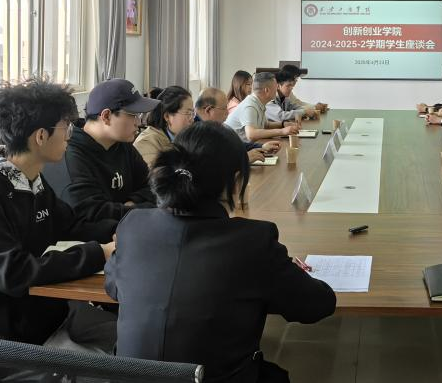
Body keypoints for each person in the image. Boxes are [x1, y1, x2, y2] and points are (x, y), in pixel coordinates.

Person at [105, 122, 336, 382]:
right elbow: (318, 305)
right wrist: (278, 273)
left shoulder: (133, 226)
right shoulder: (252, 242)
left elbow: (112, 286)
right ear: (236, 182)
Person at [0, 78, 117, 382]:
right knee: (118, 369)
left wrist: (125, 229)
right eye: (66, 128)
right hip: (2, 337)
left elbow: (71, 224)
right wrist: (97, 254)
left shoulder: (29, 178)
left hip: (43, 315)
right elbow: (12, 272)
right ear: (41, 136)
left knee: (134, 339)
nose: (70, 136)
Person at [63, 78, 158, 222]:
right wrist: (139, 207)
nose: (138, 123)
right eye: (133, 115)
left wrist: (132, 203)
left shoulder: (122, 144)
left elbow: (155, 186)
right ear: (106, 116)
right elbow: (91, 213)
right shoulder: (71, 153)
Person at [196, 87, 281, 165]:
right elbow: (211, 165)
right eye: (224, 108)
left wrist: (262, 146)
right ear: (209, 110)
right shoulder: (196, 134)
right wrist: (243, 159)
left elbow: (233, 146)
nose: (227, 112)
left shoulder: (213, 127)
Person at [225, 72, 299, 143]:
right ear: (267, 90)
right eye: (276, 87)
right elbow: (251, 135)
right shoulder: (250, 105)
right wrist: (282, 131)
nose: (277, 89)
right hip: (233, 148)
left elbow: (266, 125)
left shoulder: (258, 102)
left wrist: (283, 124)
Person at [134, 86, 193, 168]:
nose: (192, 119)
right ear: (167, 116)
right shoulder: (146, 142)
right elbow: (158, 175)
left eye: (192, 113)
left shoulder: (185, 138)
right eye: (188, 113)